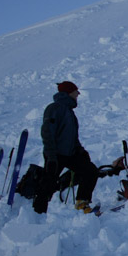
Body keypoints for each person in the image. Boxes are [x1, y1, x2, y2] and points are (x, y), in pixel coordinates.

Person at [33, 81, 99, 214]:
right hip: (56, 154)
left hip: (70, 154)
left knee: (90, 171)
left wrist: (80, 150)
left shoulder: (69, 112)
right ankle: (37, 213)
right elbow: (47, 132)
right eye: (76, 91)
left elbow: (72, 137)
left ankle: (82, 202)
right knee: (48, 183)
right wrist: (51, 156)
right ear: (68, 92)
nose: (78, 94)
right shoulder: (54, 108)